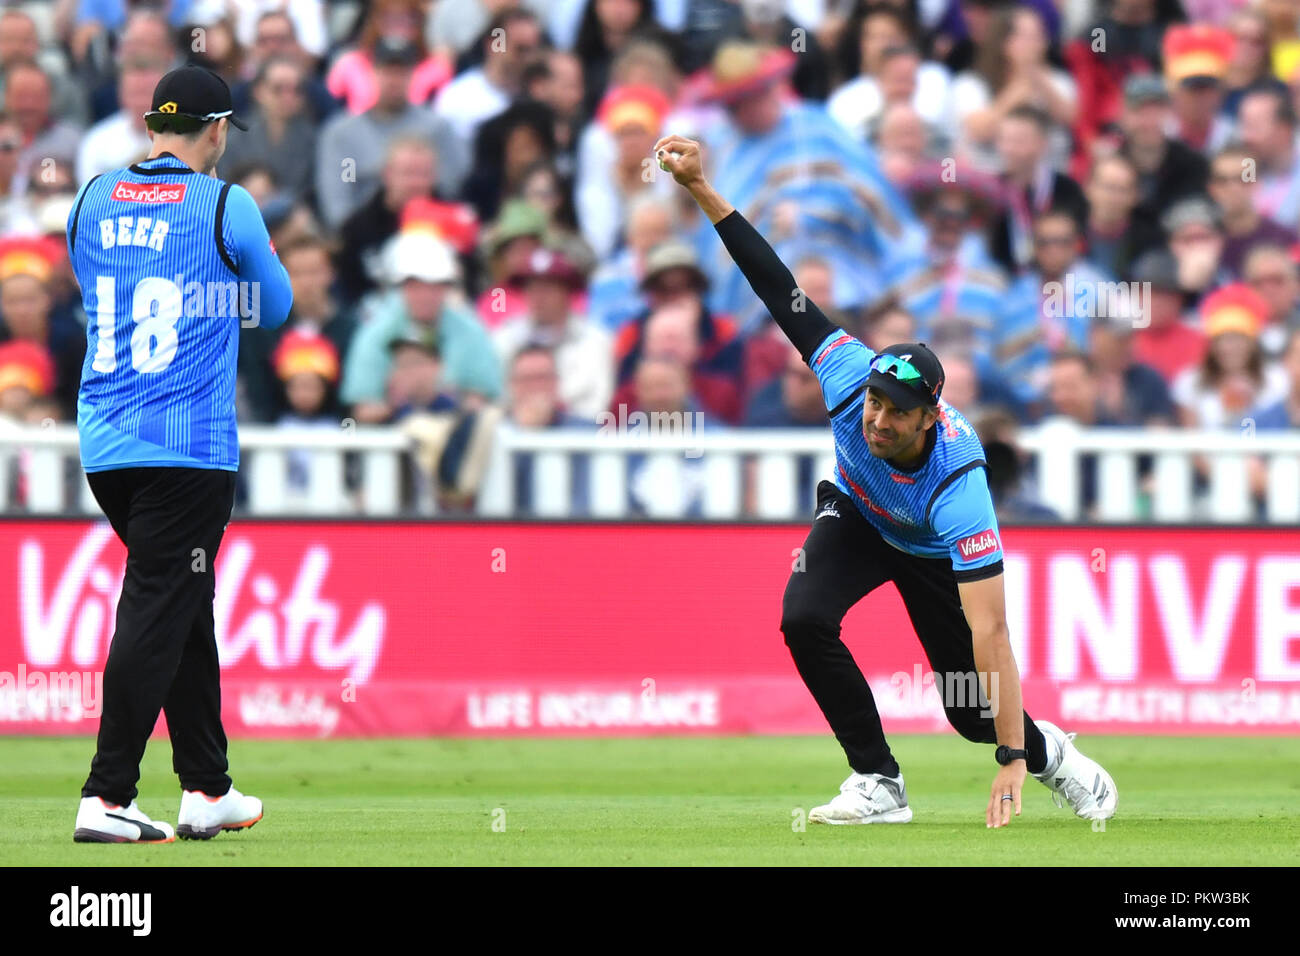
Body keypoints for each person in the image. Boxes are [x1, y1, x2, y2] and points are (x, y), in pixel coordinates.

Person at [654, 132, 1117, 827]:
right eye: (874, 403)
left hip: (930, 548)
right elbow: (775, 283)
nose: (876, 422)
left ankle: (1055, 755)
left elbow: (993, 633)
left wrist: (1013, 758)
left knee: (970, 713)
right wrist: (698, 186)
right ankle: (878, 782)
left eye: (896, 414)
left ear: (930, 416)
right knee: (803, 617)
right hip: (860, 516)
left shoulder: (960, 481)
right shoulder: (846, 372)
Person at [66, 65, 292, 843]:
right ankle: (106, 794)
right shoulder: (226, 203)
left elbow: (95, 288)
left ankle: (207, 786)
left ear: (151, 126)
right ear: (218, 131)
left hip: (105, 446)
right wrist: (220, 298)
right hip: (188, 450)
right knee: (160, 605)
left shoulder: (93, 197)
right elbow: (278, 305)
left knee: (181, 601)